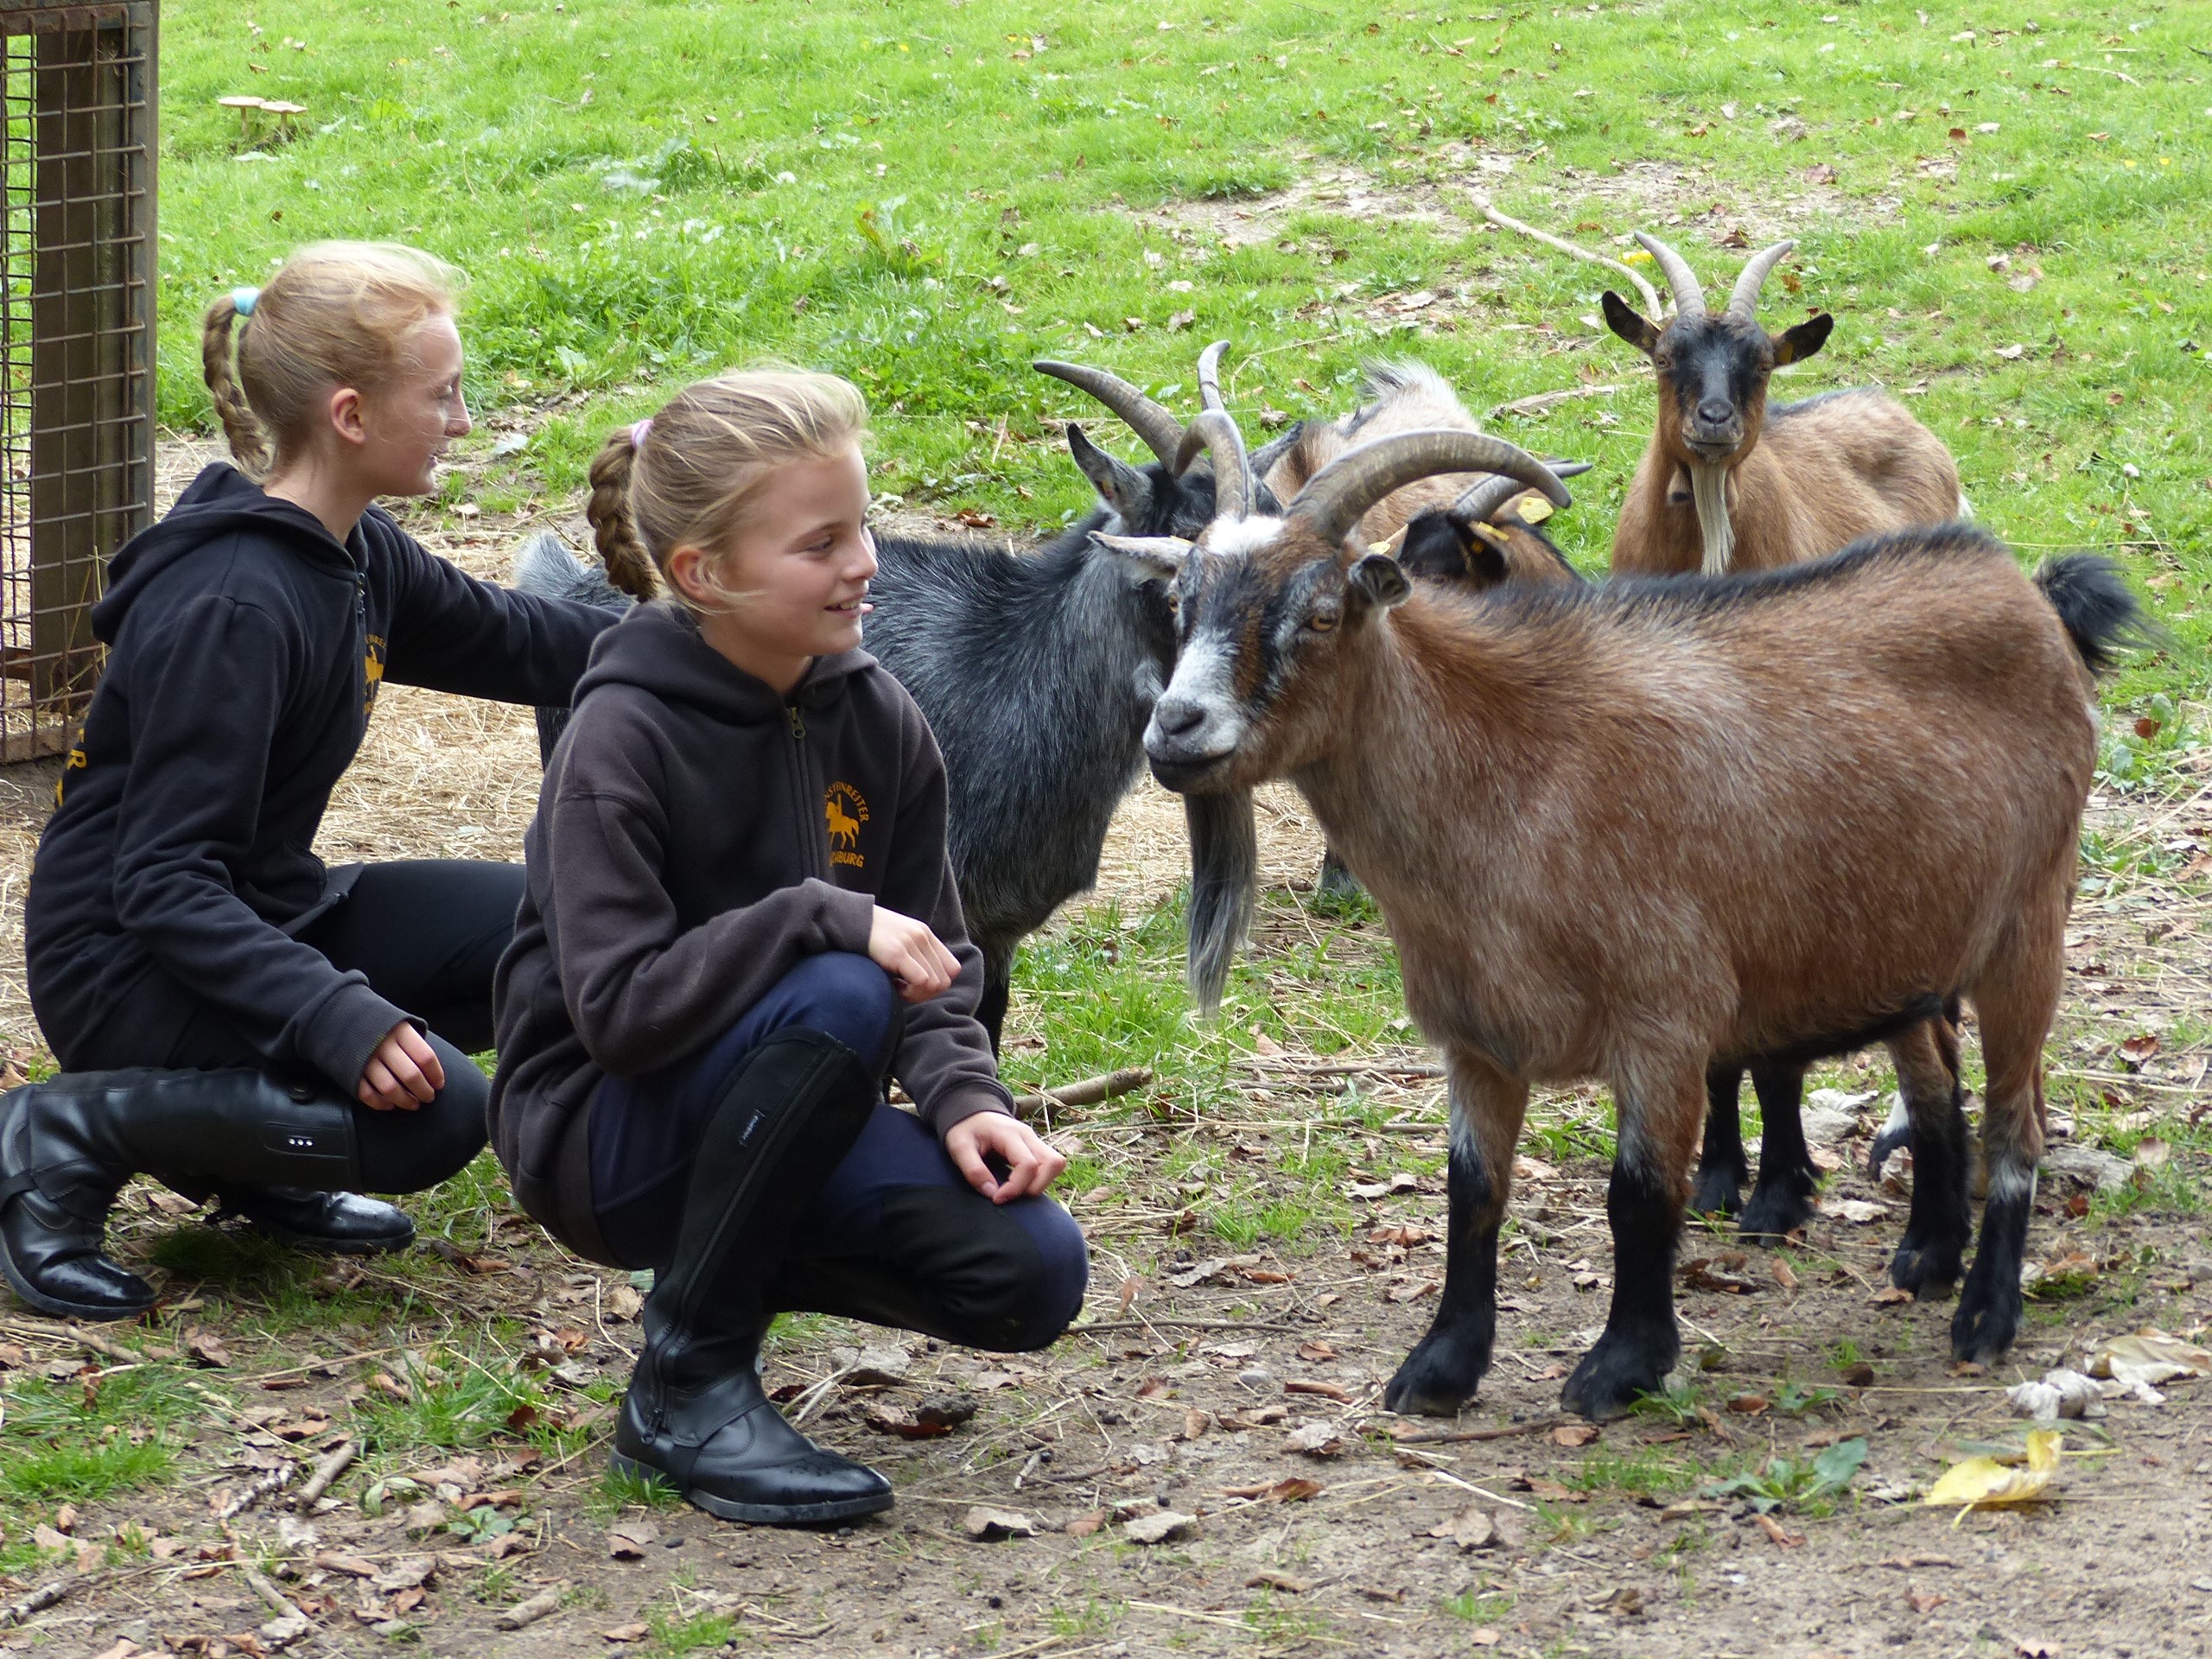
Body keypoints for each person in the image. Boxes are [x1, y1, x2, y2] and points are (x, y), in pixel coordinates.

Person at [489, 370, 1088, 1525]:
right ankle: (686, 1387)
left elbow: (937, 957)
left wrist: (965, 1099)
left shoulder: (878, 716)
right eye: (821, 544)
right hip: (601, 1137)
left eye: (862, 526)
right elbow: (619, 1012)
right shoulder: (620, 734)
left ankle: (722, 1275)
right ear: (703, 575)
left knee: (1029, 1273)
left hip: (776, 1115)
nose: (864, 563)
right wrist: (818, 915)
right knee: (840, 987)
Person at [0, 243, 616, 1322]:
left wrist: (732, 645)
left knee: (564, 935)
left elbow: (526, 640)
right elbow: (161, 882)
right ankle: (61, 1132)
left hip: (263, 915)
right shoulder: (233, 606)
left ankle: (255, 1157)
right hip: (130, 967)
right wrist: (336, 1017)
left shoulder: (354, 550)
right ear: (350, 415)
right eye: (443, 395)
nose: (464, 422)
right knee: (434, 1117)